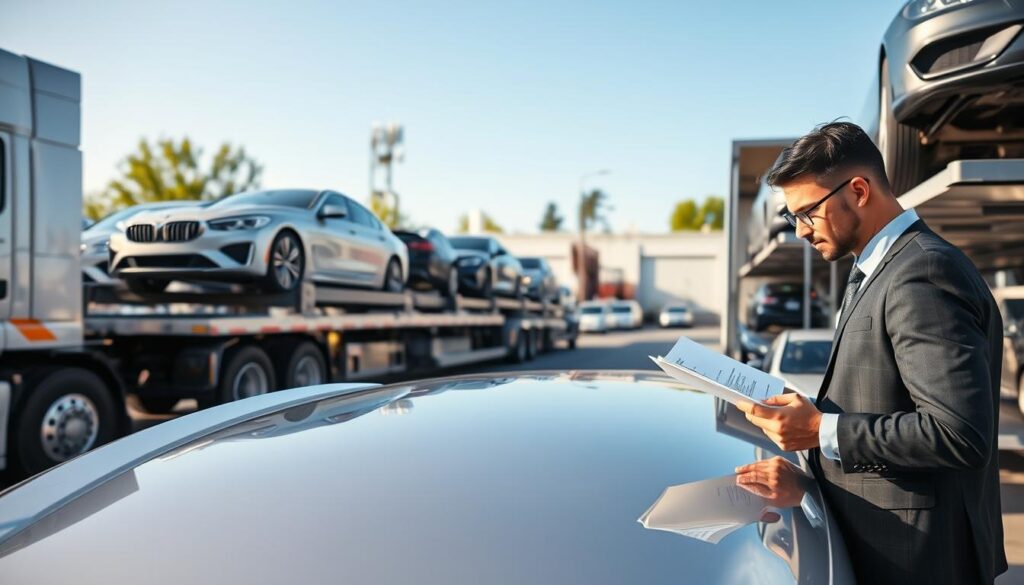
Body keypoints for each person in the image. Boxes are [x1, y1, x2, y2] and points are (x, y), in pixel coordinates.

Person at [736, 121, 1006, 584]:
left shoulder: (921, 273)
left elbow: (959, 433)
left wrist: (820, 429)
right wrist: (807, 480)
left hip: (920, 562)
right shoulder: (882, 269)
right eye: (791, 217)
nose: (800, 231)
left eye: (808, 213)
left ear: (859, 190)